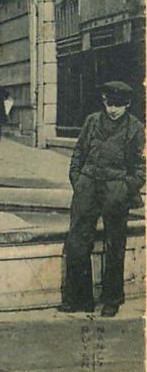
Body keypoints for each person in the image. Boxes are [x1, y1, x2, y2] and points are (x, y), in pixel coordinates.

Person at [59, 80, 145, 318]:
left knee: (114, 244)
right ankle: (79, 299)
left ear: (127, 104)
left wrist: (125, 188)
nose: (113, 110)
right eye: (109, 104)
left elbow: (141, 168)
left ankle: (112, 300)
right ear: (104, 102)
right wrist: (77, 179)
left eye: (118, 105)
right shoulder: (92, 121)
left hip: (116, 190)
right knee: (77, 240)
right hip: (87, 185)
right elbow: (79, 152)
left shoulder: (135, 128)